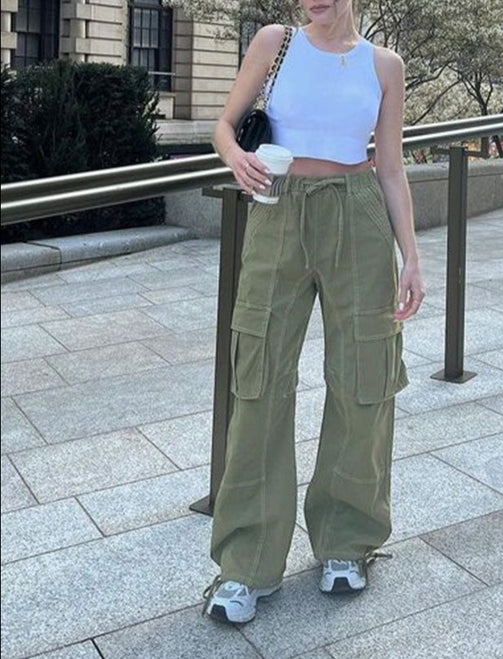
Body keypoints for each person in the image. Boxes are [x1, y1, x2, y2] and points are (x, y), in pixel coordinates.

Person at [203, 0, 425, 624]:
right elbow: (224, 126)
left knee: (364, 377)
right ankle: (246, 564)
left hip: (357, 213)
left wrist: (410, 257)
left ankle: (346, 542)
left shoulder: (385, 65)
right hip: (278, 210)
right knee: (260, 377)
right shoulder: (275, 43)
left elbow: (390, 165)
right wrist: (236, 157)